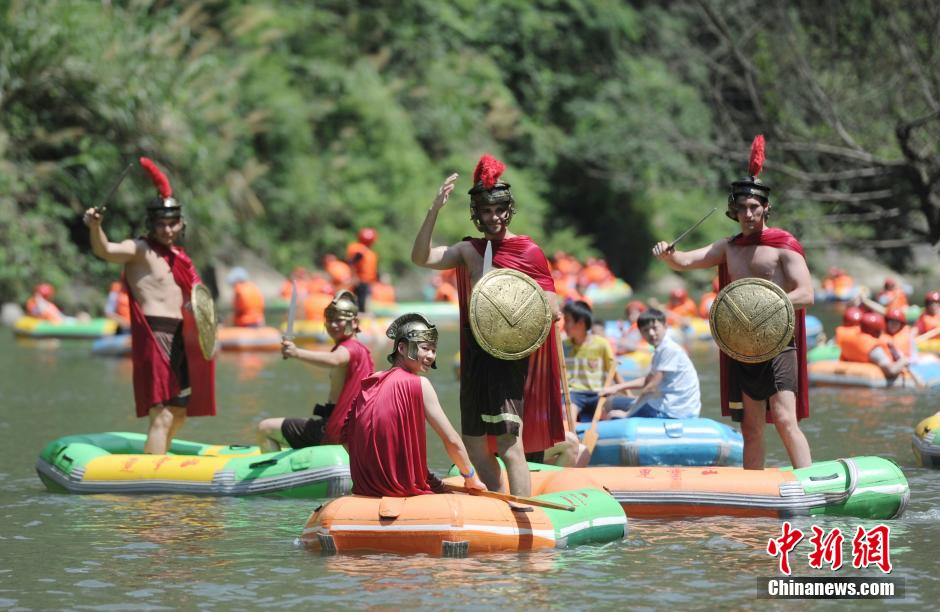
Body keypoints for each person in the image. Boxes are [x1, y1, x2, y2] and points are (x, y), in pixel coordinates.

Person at [652, 135, 813, 470]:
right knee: (750, 427)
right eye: (741, 208)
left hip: (779, 344)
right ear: (733, 211)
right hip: (743, 347)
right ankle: (754, 488)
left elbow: (805, 294)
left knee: (784, 418)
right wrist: (669, 255)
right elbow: (684, 261)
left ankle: (808, 480)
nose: (748, 214)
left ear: (766, 208)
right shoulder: (729, 247)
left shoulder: (784, 245)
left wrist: (767, 308)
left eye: (754, 207)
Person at [410, 154, 564, 496]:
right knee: (476, 444)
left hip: (508, 357)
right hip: (475, 355)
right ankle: (499, 500)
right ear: (476, 214)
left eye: (498, 210)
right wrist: (433, 210)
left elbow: (552, 308)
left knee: (510, 443)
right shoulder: (469, 251)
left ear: (508, 210)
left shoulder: (528, 251)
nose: (493, 217)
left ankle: (524, 511)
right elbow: (421, 258)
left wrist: (524, 311)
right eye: (486, 211)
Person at [83, 157, 215, 454]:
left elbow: (199, 301)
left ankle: (160, 459)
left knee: (179, 410)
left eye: (173, 223)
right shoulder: (140, 250)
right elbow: (105, 249)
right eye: (161, 224)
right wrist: (95, 227)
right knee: (162, 412)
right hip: (155, 334)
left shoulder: (180, 257)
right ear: (151, 225)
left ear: (181, 224)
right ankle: (153, 476)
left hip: (182, 336)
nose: (167, 230)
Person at [341, 313, 486, 497]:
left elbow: (347, 437)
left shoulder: (370, 381)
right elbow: (452, 440)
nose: (431, 356)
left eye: (433, 350)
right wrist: (471, 477)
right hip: (399, 488)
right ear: (401, 347)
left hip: (366, 487)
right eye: (425, 348)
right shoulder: (419, 384)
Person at [257, 291, 374, 451]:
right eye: (329, 320)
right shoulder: (361, 349)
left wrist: (297, 353)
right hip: (349, 427)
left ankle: (272, 475)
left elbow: (335, 359)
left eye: (338, 320)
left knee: (265, 428)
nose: (332, 325)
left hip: (334, 429)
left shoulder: (349, 348)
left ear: (354, 323)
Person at [600, 309, 701, 420]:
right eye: (645, 330)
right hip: (677, 407)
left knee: (611, 404)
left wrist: (628, 414)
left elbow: (651, 388)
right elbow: (647, 381)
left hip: (673, 412)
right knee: (619, 400)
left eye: (654, 328)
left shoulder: (669, 350)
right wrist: (616, 387)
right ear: (641, 334)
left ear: (665, 326)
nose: (651, 333)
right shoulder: (661, 349)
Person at [561, 300, 630, 421]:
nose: (564, 326)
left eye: (567, 321)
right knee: (567, 411)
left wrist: (629, 396)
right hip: (574, 394)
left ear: (581, 323)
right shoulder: (563, 345)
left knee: (608, 411)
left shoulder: (601, 344)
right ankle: (569, 433)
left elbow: (613, 372)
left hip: (598, 393)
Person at [840, 312, 910, 379]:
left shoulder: (848, 338)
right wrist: (904, 361)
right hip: (868, 379)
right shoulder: (874, 349)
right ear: (877, 332)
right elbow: (891, 371)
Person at [346, 228, 379, 312]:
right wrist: (354, 277)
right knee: (360, 307)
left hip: (366, 282)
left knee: (364, 306)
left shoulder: (369, 252)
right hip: (359, 282)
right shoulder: (359, 249)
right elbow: (351, 262)